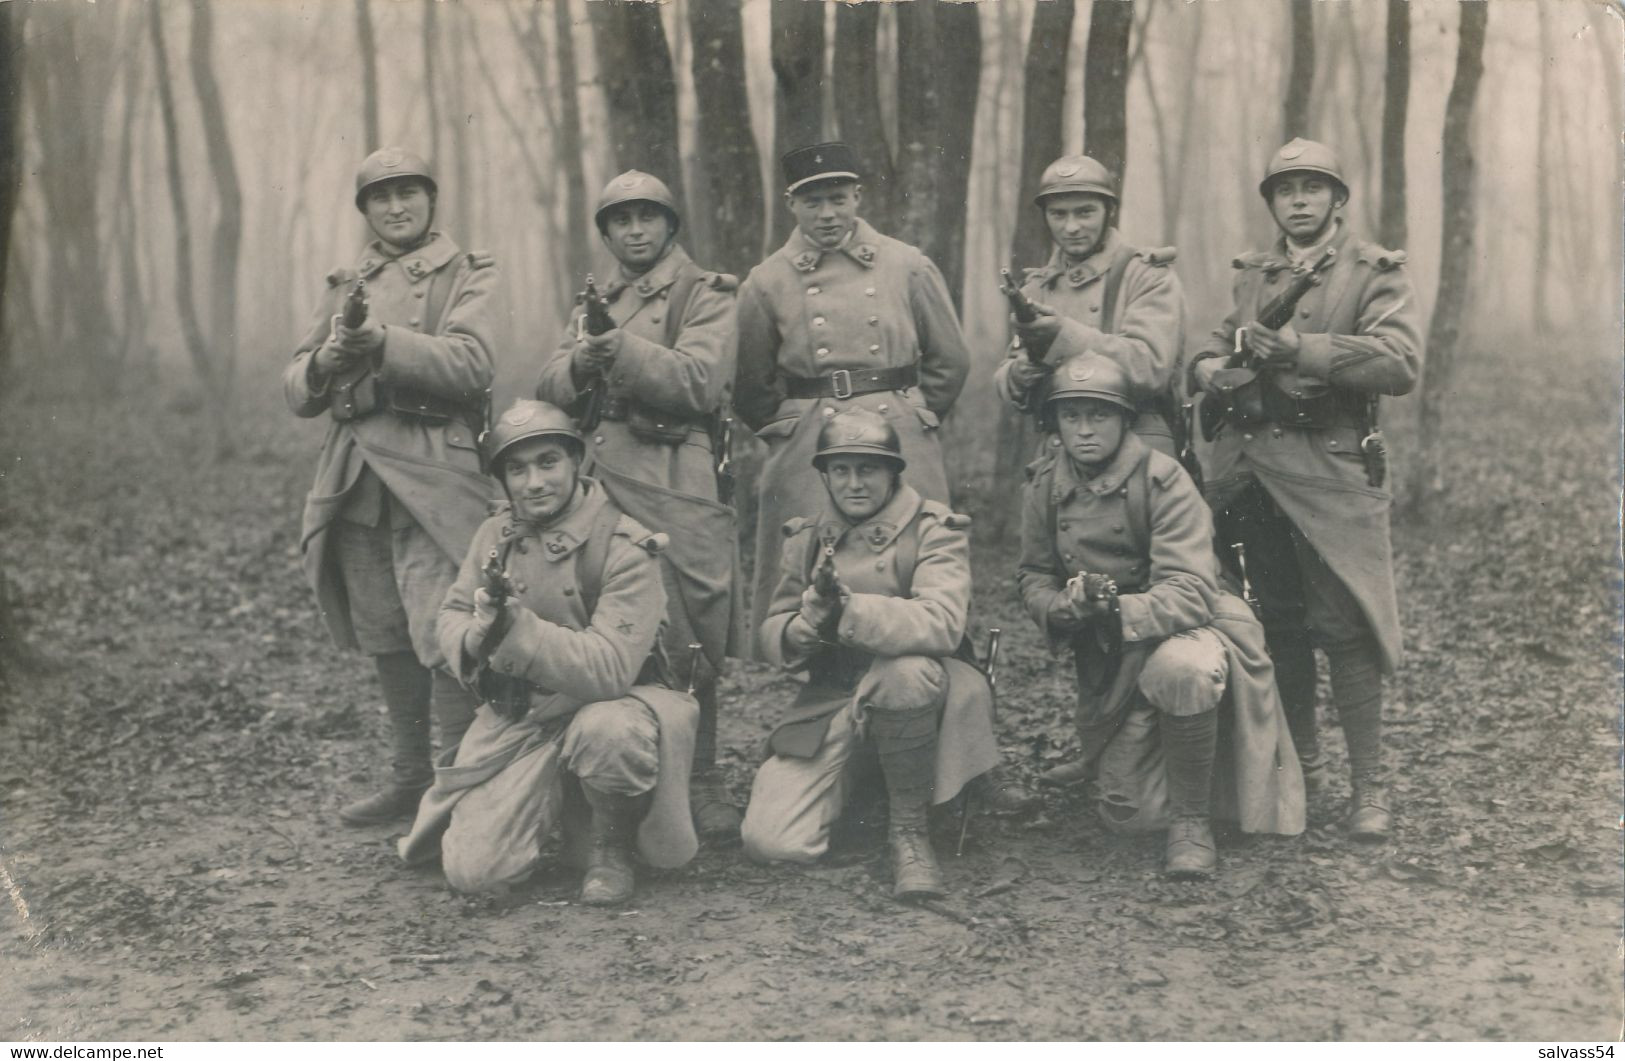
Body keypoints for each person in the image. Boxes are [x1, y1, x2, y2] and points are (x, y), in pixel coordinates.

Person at [1188, 138, 1422, 840]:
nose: (1297, 200)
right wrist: (1206, 369)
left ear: (1336, 199)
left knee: (1345, 627)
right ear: (1271, 203)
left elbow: (1399, 361)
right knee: (1277, 622)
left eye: (1311, 188)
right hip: (1253, 469)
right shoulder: (1252, 273)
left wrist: (1301, 350)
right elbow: (1213, 341)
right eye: (1284, 190)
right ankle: (1300, 771)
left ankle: (1368, 788)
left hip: (1331, 466)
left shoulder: (1371, 271)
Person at [399, 400, 699, 903]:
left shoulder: (624, 545)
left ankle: (611, 848)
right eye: (516, 469)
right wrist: (477, 632)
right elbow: (450, 615)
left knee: (610, 730)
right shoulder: (495, 534)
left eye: (548, 463)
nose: (534, 482)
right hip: (523, 716)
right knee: (476, 874)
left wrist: (517, 629)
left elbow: (609, 670)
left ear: (575, 462)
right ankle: (562, 810)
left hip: (611, 705)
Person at [1017, 354, 1305, 877]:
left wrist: (1115, 609)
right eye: (1071, 416)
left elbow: (1192, 590)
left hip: (1194, 627)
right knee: (1130, 817)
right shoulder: (1044, 487)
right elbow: (1032, 575)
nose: (1084, 431)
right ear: (1054, 423)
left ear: (1126, 420)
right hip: (1114, 660)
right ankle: (1156, 754)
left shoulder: (1164, 481)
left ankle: (1193, 823)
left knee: (1181, 670)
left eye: (1098, 416)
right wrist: (1064, 606)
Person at [283, 147, 493, 826]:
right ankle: (409, 776)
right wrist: (326, 359)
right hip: (356, 474)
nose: (396, 207)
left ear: (432, 201)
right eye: (381, 197)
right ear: (365, 210)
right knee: (385, 628)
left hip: (434, 466)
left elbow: (471, 365)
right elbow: (296, 387)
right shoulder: (349, 280)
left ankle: (455, 780)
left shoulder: (468, 271)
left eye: (409, 193)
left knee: (445, 628)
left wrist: (382, 343)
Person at [535, 170, 743, 841]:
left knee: (688, 619)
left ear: (670, 225)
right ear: (606, 233)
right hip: (602, 476)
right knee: (606, 613)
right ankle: (620, 771)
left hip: (673, 471)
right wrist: (581, 363)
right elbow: (548, 382)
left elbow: (699, 381)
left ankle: (703, 774)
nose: (634, 231)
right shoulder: (598, 298)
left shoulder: (705, 292)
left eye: (646, 217)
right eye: (619, 221)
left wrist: (617, 348)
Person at [740, 409, 1000, 900]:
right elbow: (772, 629)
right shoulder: (808, 536)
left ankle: (909, 834)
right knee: (772, 842)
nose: (854, 484)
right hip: (837, 694)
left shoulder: (934, 528)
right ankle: (863, 783)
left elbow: (942, 623)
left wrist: (849, 611)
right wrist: (808, 623)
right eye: (841, 470)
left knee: (902, 673)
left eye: (868, 469)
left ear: (893, 472)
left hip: (931, 688)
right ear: (825, 475)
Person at [735, 141, 971, 649]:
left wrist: (917, 413)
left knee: (916, 555)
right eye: (813, 201)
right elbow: (749, 383)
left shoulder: (906, 265)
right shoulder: (767, 280)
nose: (827, 214)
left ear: (858, 197)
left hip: (898, 431)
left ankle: (920, 667)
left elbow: (950, 359)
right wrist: (790, 429)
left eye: (838, 198)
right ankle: (818, 676)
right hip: (812, 441)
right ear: (791, 205)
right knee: (811, 566)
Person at [993, 154, 1186, 461]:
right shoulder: (1037, 287)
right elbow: (1007, 379)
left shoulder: (1146, 276)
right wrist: (1021, 372)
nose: (1071, 227)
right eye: (1058, 214)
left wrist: (1062, 336)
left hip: (1137, 452)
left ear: (1109, 211)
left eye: (1085, 213)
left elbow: (1151, 368)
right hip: (1058, 453)